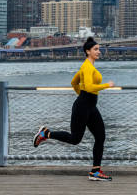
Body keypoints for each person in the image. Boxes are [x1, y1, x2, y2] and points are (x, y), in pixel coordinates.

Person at [33, 36, 114, 181]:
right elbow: (89, 87)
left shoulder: (88, 66)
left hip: (89, 106)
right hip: (83, 106)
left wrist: (82, 95)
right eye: (96, 49)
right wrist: (105, 85)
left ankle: (95, 171)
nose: (99, 51)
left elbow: (74, 82)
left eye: (99, 49)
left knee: (100, 136)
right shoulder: (87, 67)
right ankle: (46, 134)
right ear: (88, 51)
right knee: (75, 139)